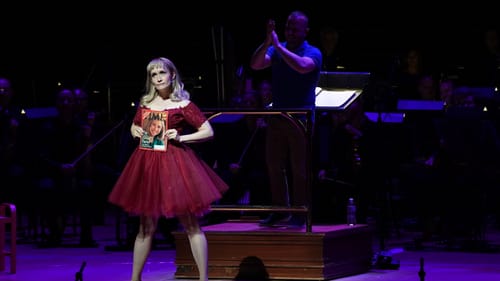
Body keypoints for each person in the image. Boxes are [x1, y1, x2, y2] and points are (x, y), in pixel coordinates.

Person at [107, 57, 229, 281]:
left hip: (176, 164)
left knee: (190, 224)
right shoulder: (146, 104)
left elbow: (208, 131)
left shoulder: (183, 105)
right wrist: (136, 132)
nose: (158, 78)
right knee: (145, 226)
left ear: (172, 75)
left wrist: (182, 136)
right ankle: (135, 278)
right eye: (153, 74)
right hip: (147, 164)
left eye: (162, 72)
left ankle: (204, 278)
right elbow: (135, 125)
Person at [249, 10, 322, 227]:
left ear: (305, 31)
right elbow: (256, 64)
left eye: (294, 28)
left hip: (301, 117)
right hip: (277, 116)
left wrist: (279, 47)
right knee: (274, 165)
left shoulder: (313, 51)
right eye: (287, 27)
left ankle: (300, 211)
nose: (289, 32)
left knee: (299, 167)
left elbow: (302, 67)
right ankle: (281, 209)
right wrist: (267, 41)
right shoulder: (275, 49)